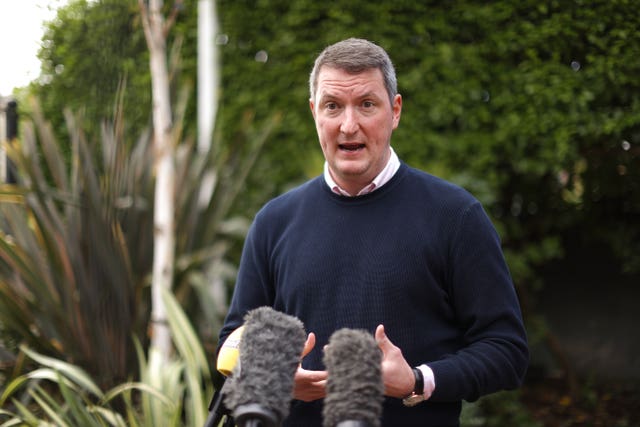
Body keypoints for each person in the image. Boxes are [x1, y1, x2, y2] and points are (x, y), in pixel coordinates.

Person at [217, 37, 528, 427]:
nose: (349, 125)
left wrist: (416, 380)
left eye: (367, 104)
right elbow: (233, 339)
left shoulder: (456, 216)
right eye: (333, 106)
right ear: (315, 112)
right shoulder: (273, 222)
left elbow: (506, 351)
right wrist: (274, 376)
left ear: (394, 111)